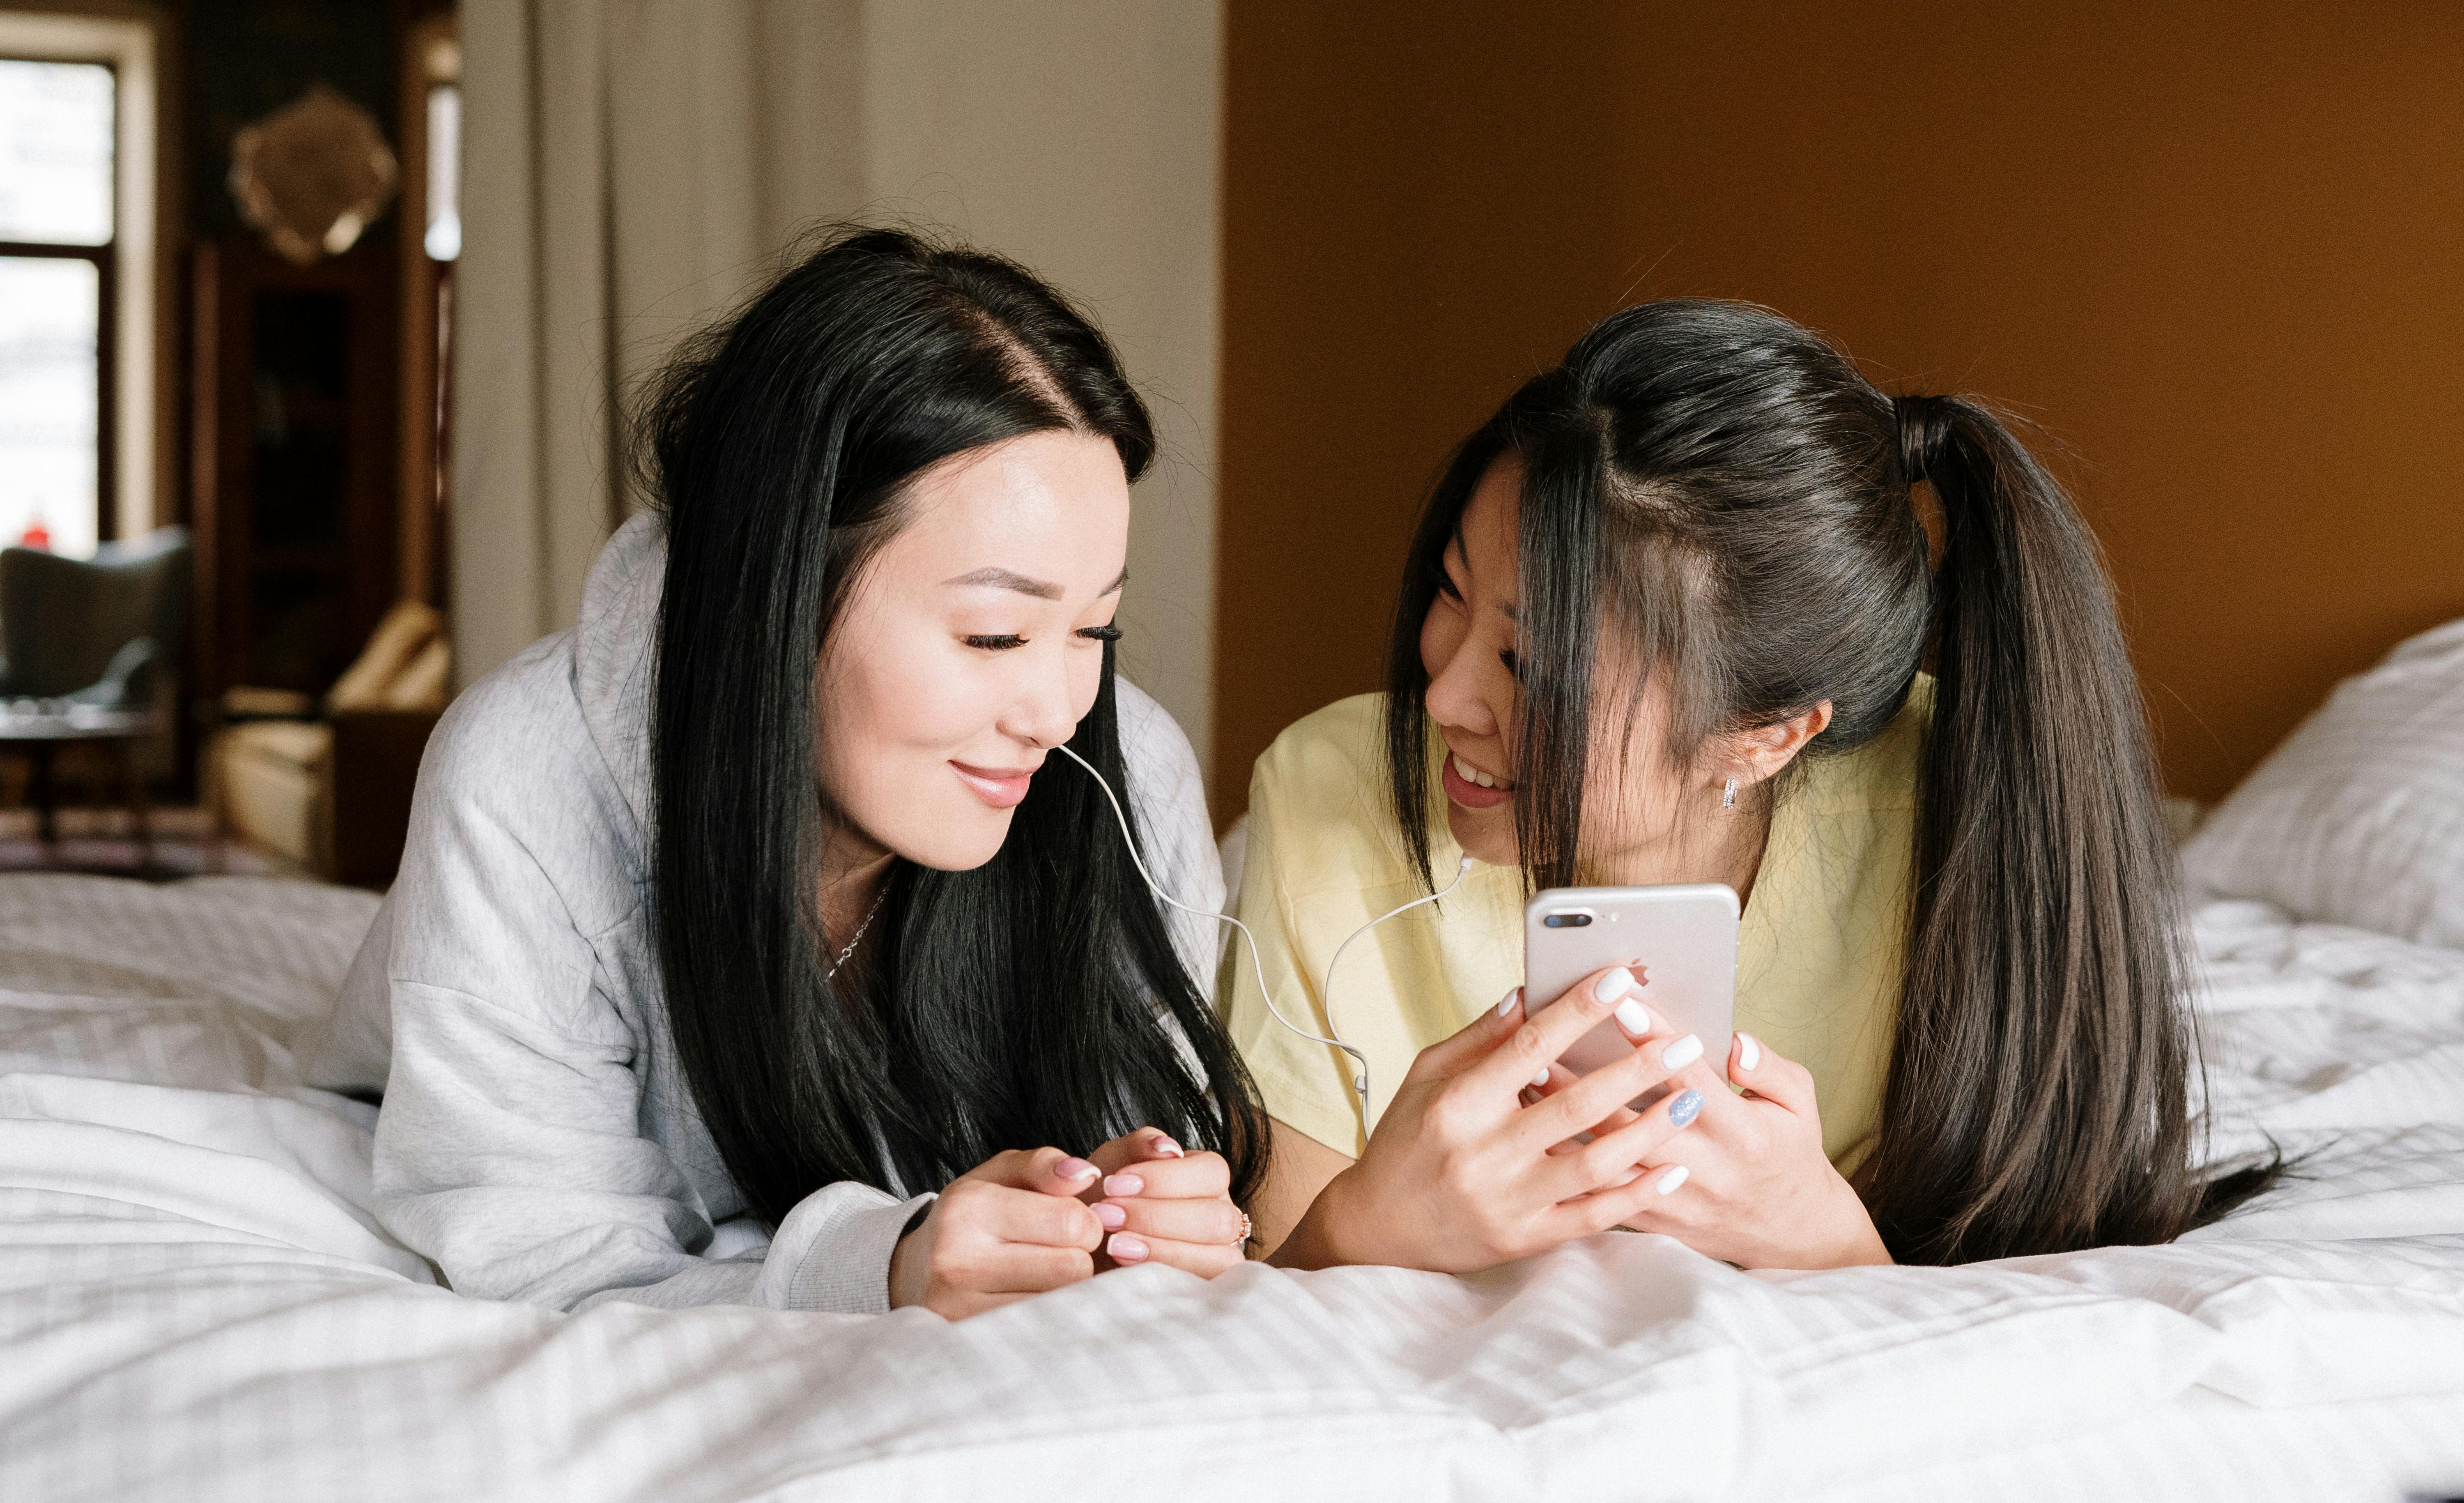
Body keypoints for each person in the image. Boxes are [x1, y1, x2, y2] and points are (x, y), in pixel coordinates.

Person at [309, 229, 1266, 1319]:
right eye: (996, 637)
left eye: (1096, 629)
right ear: (784, 588)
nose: (1056, 716)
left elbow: (1146, 1134)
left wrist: (1154, 1208)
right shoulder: (524, 781)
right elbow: (551, 1247)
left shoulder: (1128, 766)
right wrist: (883, 1268)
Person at [1228, 298, 2266, 1272]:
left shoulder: (1960, 815)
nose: (1445, 692)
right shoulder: (1334, 789)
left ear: (1768, 736)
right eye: (1452, 592)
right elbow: (1264, 1293)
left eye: (1532, 665)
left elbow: (2046, 1314)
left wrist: (1824, 1240)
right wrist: (1360, 1231)